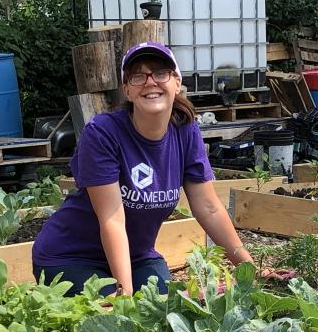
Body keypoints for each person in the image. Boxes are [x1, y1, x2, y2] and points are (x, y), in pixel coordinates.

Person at [32, 41, 253, 296]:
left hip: (137, 256)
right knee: (122, 319)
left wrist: (248, 269)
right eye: (138, 76)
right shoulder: (103, 133)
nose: (150, 82)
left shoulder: (185, 129)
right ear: (127, 89)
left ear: (176, 82)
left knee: (165, 305)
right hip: (70, 257)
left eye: (160, 73)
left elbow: (209, 207)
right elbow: (112, 219)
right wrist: (123, 293)